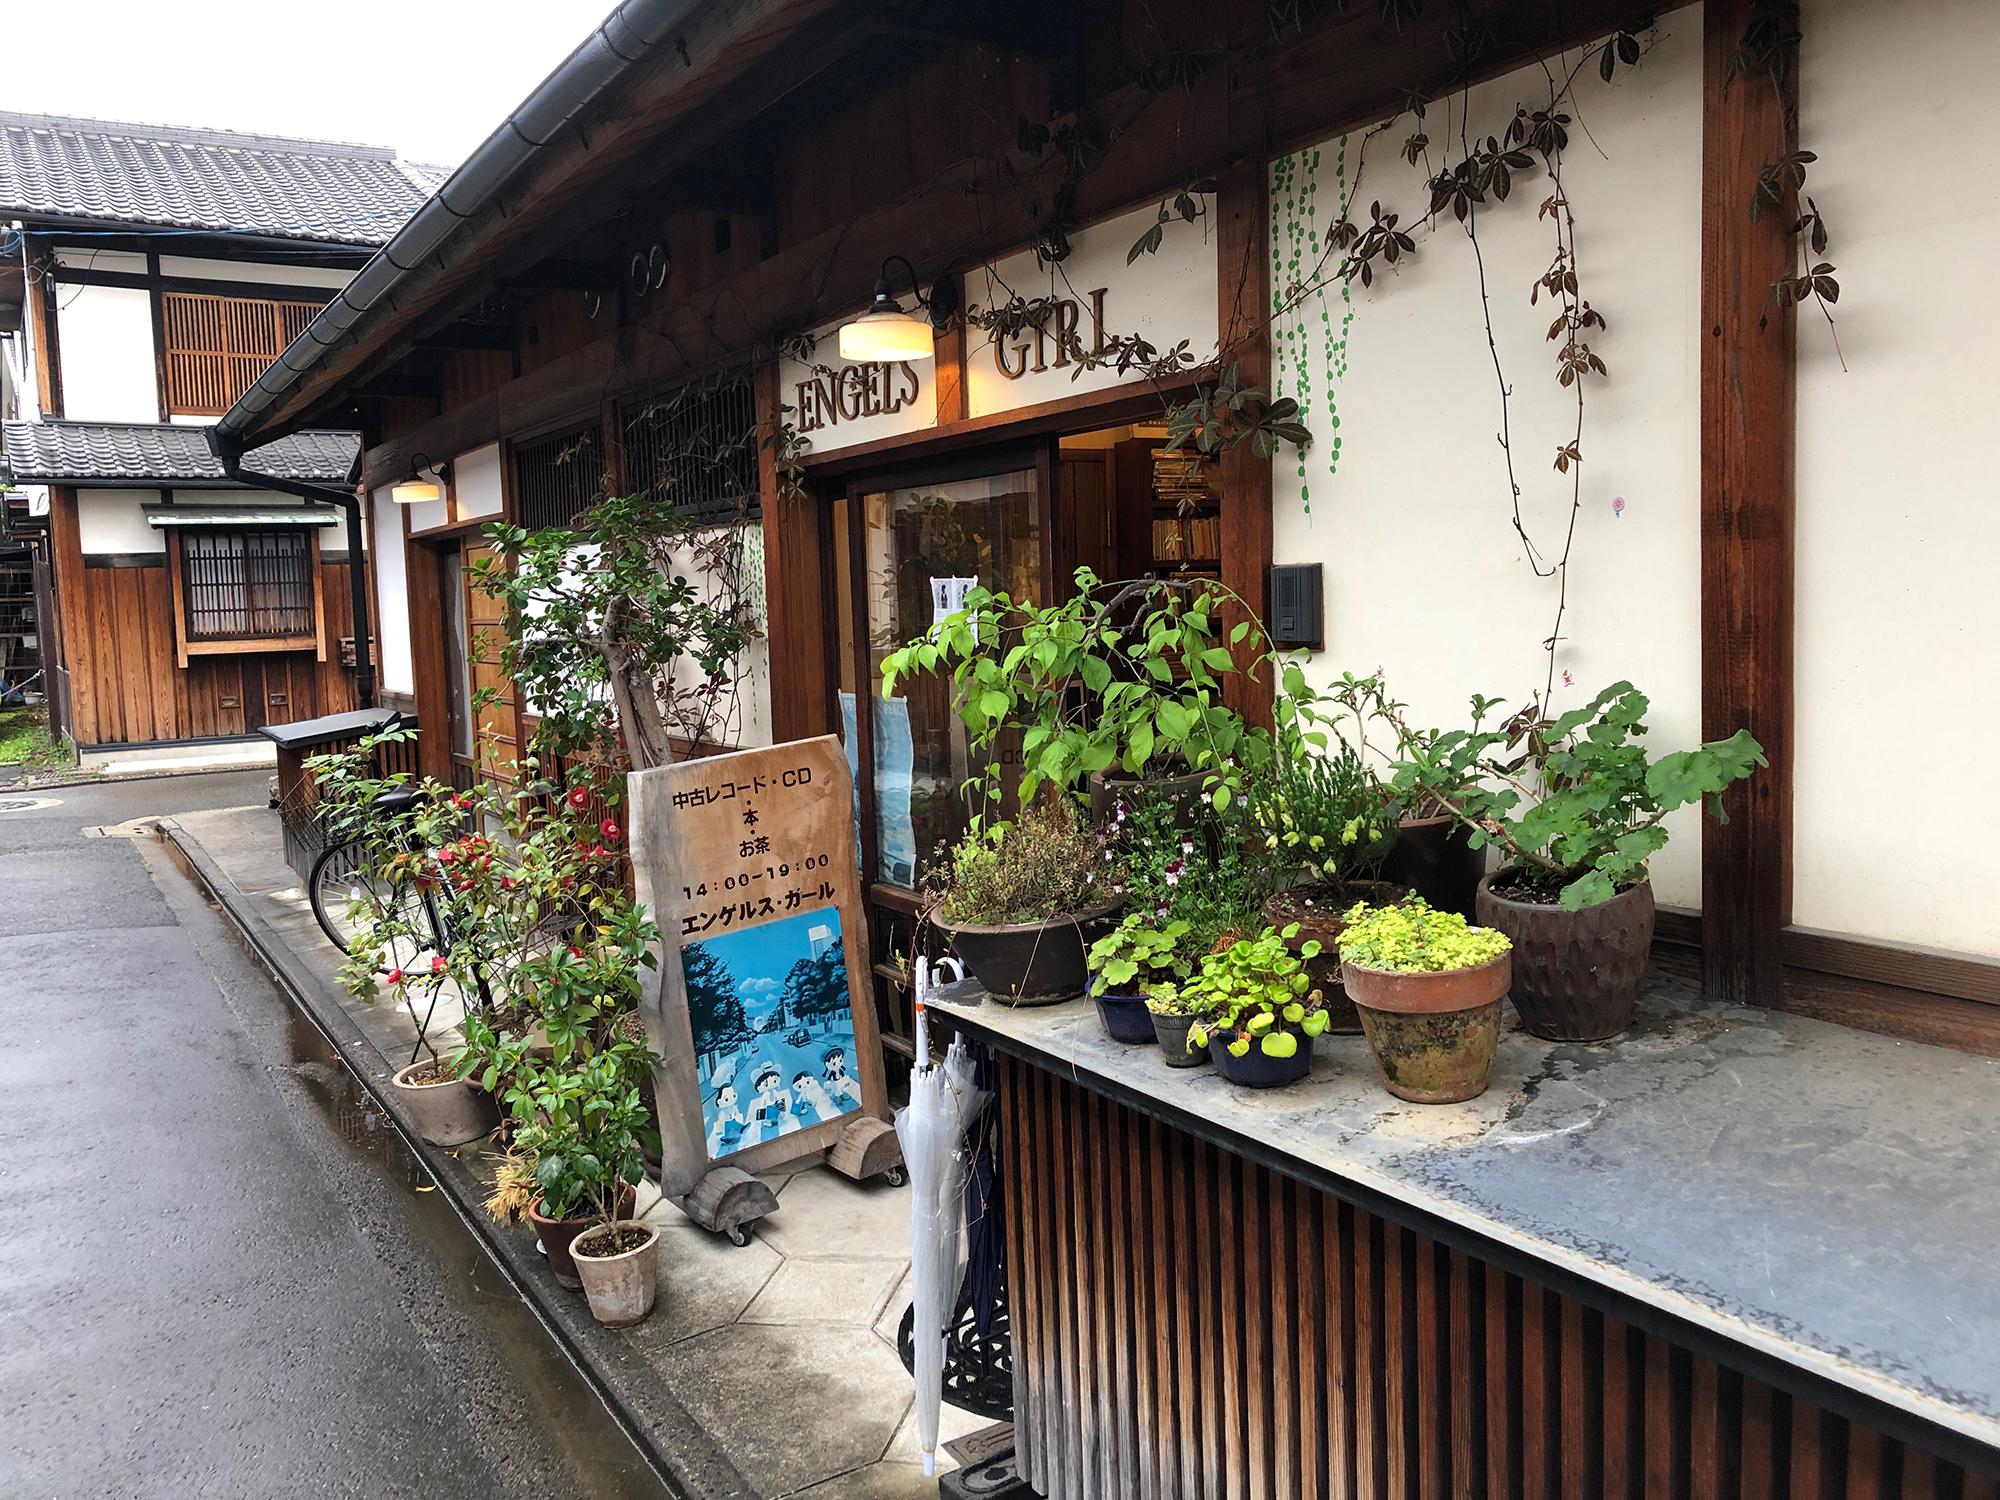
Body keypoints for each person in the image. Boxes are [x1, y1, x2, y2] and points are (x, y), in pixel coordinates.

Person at [741, 1061, 797, 1146]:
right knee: (769, 1116)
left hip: (775, 1106)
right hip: (769, 1108)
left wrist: (782, 1107)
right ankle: (768, 1121)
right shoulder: (766, 1095)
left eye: (774, 1080)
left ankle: (779, 1116)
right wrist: (761, 1113)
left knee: (779, 1113)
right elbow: (762, 1104)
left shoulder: (775, 1092)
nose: (771, 1084)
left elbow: (779, 1099)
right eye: (766, 1083)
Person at [707, 1082, 747, 1158]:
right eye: (726, 1099)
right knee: (729, 1129)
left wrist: (738, 1116)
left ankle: (740, 1129)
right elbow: (721, 1118)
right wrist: (721, 1124)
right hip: (726, 1122)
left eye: (734, 1095)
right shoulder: (723, 1112)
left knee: (734, 1126)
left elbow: (736, 1112)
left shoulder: (733, 1107)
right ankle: (729, 1135)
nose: (731, 1099)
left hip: (732, 1119)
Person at [821, 1045, 861, 1112]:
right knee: (837, 1091)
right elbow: (829, 1079)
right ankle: (838, 1099)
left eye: (840, 1060)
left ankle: (843, 1096)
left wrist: (844, 1078)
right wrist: (828, 1086)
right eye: (834, 1063)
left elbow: (842, 1074)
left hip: (841, 1081)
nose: (838, 1064)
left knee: (843, 1088)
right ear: (827, 1064)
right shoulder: (832, 1073)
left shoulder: (840, 1071)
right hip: (835, 1083)